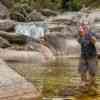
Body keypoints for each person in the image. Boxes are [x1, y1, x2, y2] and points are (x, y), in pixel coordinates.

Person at [78, 22, 97, 89]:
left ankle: (92, 84)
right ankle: (83, 82)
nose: (85, 26)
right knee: (82, 71)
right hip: (83, 56)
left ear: (89, 26)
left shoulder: (92, 33)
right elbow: (80, 41)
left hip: (92, 56)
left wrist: (88, 34)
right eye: (83, 25)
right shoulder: (80, 35)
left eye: (86, 25)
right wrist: (81, 34)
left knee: (92, 72)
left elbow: (94, 41)